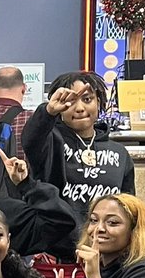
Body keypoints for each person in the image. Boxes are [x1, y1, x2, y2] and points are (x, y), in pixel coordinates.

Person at [22, 72, 135, 243]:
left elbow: (129, 206)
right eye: (70, 101)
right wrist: (48, 112)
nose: (80, 108)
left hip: (106, 252)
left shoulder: (119, 153)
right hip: (58, 251)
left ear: (99, 102)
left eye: (87, 99)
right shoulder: (50, 141)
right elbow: (30, 139)